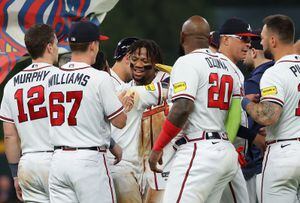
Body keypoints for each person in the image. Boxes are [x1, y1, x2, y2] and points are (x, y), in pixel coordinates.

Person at [149, 16, 241, 203]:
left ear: (182, 37)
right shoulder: (229, 67)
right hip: (224, 150)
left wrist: (158, 147)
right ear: (209, 39)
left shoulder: (186, 62)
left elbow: (183, 107)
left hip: (199, 150)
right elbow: (235, 113)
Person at [47, 21, 127, 203]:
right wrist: (120, 105)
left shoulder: (52, 78)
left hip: (58, 160)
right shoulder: (100, 78)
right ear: (93, 45)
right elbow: (120, 122)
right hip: (89, 161)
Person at [242, 14, 300, 203]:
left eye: (264, 38)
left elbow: (268, 116)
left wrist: (244, 103)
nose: (263, 43)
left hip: (283, 154)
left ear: (273, 40)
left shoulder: (274, 72)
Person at [0, 24, 59, 202]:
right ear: (49, 46)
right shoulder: (61, 77)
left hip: (28, 164)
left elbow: (10, 136)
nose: (57, 49)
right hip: (58, 159)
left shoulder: (12, 84)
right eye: (56, 44)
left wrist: (15, 174)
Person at [108, 39, 167, 203]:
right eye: (134, 59)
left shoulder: (163, 83)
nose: (138, 64)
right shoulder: (125, 90)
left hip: (156, 169)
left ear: (155, 63)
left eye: (144, 60)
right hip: (124, 167)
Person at [218, 17, 259, 203]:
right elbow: (230, 118)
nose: (248, 45)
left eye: (249, 40)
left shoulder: (231, 69)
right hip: (218, 150)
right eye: (243, 38)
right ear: (225, 39)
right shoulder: (230, 70)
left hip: (219, 149)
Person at [242, 33, 274, 203]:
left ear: (254, 52)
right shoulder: (282, 72)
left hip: (259, 166)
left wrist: (243, 101)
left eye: (246, 50)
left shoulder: (252, 82)